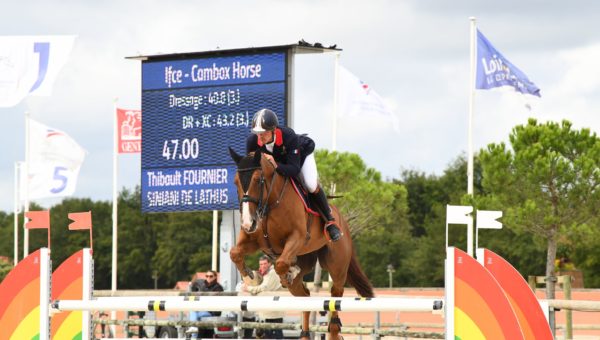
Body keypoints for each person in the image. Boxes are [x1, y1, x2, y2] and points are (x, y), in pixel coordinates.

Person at [246, 108, 342, 242]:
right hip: (281, 163)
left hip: (300, 157)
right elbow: (252, 169)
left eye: (264, 133)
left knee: (310, 184)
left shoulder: (288, 136)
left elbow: (294, 169)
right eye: (257, 133)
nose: (260, 137)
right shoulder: (252, 142)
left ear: (273, 130)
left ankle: (330, 221)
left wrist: (276, 165)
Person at [242, 256, 284, 339]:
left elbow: (264, 288)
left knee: (275, 334)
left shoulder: (272, 272)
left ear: (269, 264)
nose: (263, 266)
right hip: (269, 309)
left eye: (265, 264)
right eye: (261, 264)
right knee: (270, 334)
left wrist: (248, 288)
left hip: (273, 310)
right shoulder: (265, 273)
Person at [188, 270, 224, 338]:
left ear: (215, 277)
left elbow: (213, 301)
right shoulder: (203, 285)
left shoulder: (218, 287)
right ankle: (194, 331)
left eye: (211, 276)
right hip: (203, 309)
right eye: (207, 276)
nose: (208, 278)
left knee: (193, 312)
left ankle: (193, 333)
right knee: (193, 310)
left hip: (212, 312)